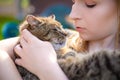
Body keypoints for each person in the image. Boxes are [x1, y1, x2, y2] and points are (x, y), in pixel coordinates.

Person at [0, 0, 119, 80]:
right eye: (74, 1)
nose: (72, 15)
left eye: (89, 4)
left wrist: (47, 69)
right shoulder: (71, 37)